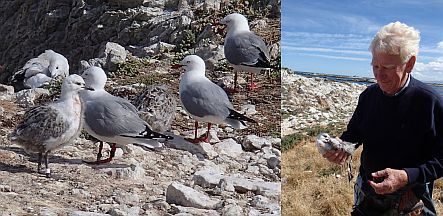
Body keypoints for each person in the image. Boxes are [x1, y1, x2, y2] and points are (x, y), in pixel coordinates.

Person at [323, 21, 443, 215]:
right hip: (368, 191)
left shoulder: (431, 102)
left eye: (387, 67)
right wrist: (342, 147)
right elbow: (354, 133)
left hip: (411, 197)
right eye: (375, 66)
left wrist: (406, 176)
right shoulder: (368, 96)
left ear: (409, 64)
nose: (379, 76)